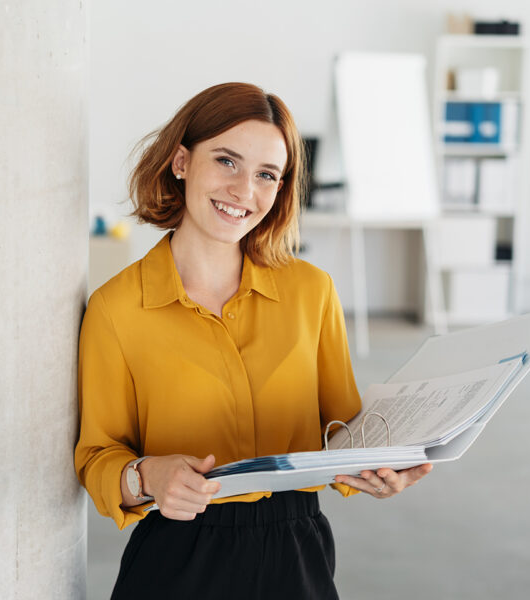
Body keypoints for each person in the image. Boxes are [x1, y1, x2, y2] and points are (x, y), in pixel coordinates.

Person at [74, 82, 432, 599]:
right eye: (226, 162)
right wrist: (148, 475)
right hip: (176, 556)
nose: (245, 191)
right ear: (181, 162)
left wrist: (375, 468)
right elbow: (96, 455)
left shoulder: (313, 291)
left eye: (267, 174)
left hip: (297, 552)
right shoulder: (116, 308)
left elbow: (343, 430)